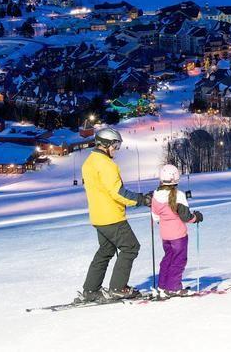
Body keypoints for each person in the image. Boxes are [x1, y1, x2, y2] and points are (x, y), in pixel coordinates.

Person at [78, 128, 151, 303]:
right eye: (115, 145)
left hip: (98, 216)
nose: (116, 149)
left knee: (105, 250)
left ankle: (91, 290)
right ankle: (118, 288)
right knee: (130, 247)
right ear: (105, 144)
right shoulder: (106, 164)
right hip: (112, 216)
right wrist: (141, 199)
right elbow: (117, 192)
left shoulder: (89, 162)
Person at [151, 164, 203, 296]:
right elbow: (186, 216)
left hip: (165, 236)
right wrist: (196, 217)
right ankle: (174, 287)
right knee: (178, 260)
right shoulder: (179, 195)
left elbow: (155, 216)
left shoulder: (156, 195)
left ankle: (163, 285)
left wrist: (165, 223)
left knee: (168, 258)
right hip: (178, 236)